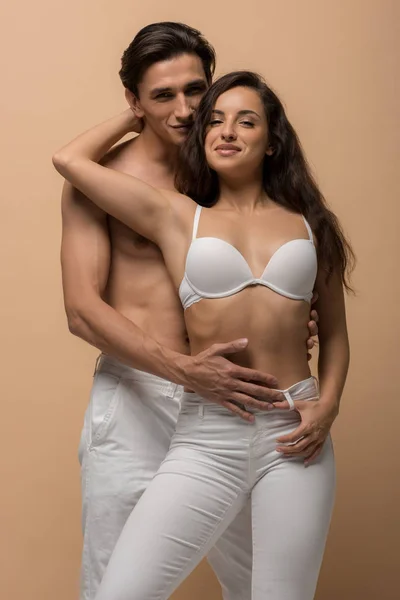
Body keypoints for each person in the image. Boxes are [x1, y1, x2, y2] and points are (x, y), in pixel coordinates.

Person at [53, 69, 353, 599]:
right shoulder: (176, 216)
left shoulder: (311, 224)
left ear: (272, 140)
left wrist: (327, 405)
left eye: (246, 121)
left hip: (294, 434)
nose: (226, 130)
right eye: (214, 121)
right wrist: (138, 109)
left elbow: (335, 335)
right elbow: (70, 161)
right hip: (208, 434)